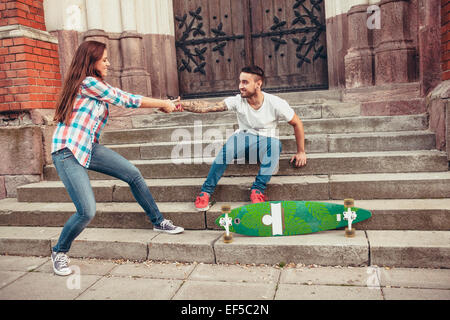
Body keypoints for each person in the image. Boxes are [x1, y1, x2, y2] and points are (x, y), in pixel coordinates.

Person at [50, 40, 184, 276]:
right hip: (67, 151)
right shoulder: (88, 83)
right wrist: (162, 103)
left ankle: (158, 221)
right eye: (104, 59)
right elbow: (124, 98)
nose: (109, 63)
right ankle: (59, 251)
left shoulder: (92, 85)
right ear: (90, 62)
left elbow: (120, 101)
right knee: (86, 211)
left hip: (88, 147)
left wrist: (162, 107)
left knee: (133, 174)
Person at [179, 65, 307, 211]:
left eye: (245, 82)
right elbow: (207, 107)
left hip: (265, 142)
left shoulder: (276, 103)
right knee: (230, 146)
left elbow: (297, 123)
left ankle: (257, 190)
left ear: (258, 84)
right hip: (243, 138)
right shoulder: (237, 100)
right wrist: (179, 105)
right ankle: (205, 192)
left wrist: (301, 151)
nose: (240, 86)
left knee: (275, 144)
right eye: (240, 82)